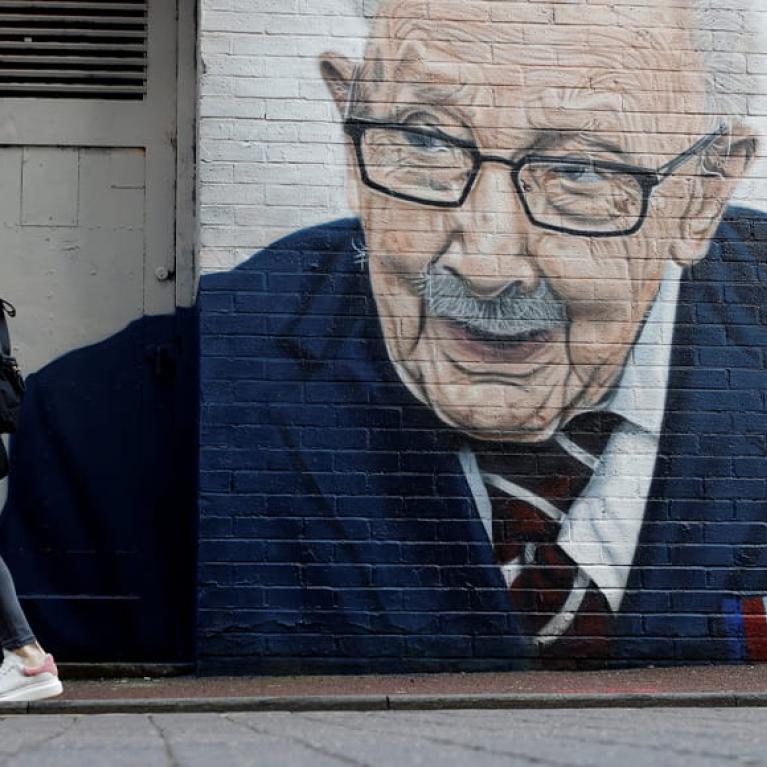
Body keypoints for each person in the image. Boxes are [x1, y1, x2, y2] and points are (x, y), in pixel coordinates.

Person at [199, 0, 767, 670]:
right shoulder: (152, 401)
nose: (485, 266)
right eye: (425, 140)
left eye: (580, 170)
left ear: (701, 196)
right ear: (351, 137)